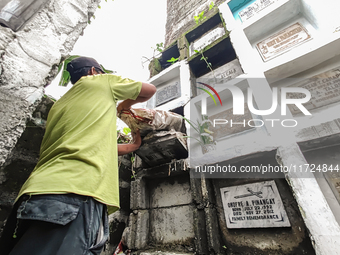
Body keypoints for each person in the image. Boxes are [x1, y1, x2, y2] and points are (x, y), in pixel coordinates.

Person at [0, 56, 156, 254]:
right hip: (75, 192)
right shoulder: (100, 81)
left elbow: (92, 144)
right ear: (93, 71)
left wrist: (133, 146)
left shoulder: (59, 106)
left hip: (32, 195)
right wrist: (121, 107)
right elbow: (149, 90)